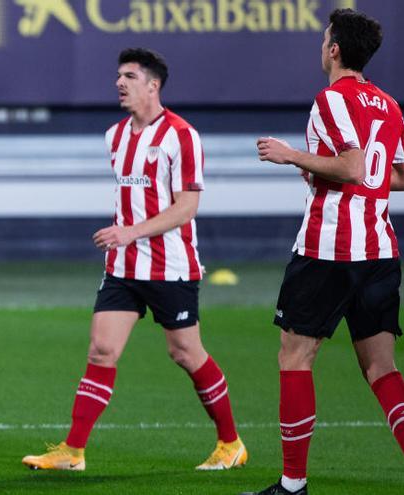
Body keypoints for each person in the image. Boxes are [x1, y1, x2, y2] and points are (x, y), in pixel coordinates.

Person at [21, 48, 246, 472]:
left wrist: (130, 232)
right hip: (123, 267)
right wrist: (124, 238)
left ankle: (230, 442)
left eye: (128, 76)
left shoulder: (182, 135)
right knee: (102, 350)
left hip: (170, 265)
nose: (119, 83)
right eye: (118, 76)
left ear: (153, 85)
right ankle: (73, 450)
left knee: (185, 352)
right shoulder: (115, 136)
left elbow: (186, 207)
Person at [246, 8, 404, 495]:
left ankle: (293, 482)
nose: (322, 45)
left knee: (295, 357)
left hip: (329, 250)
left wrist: (291, 156)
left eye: (325, 38)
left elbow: (350, 167)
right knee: (381, 367)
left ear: (334, 49)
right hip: (379, 251)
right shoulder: (387, 103)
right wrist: (334, 172)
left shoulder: (330, 99)